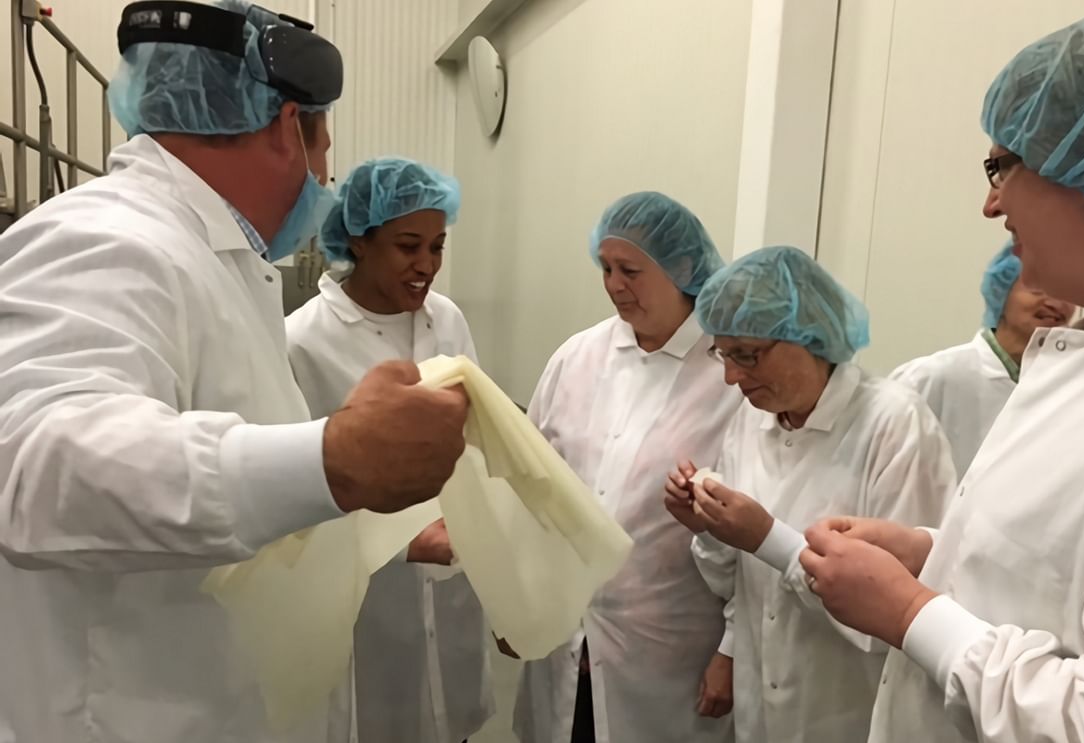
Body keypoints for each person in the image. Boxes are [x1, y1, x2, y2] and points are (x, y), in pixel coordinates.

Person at [0, 3, 467, 742]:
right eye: (324, 152)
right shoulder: (106, 238)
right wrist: (333, 460)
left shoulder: (223, 265)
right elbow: (36, 466)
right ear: (288, 127)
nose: (324, 180)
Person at [798, 10, 1084, 743]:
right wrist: (932, 553)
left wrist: (911, 612)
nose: (992, 203)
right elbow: (1061, 579)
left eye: (1002, 166)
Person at [664, 245, 956, 743]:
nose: (732, 377)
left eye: (747, 355)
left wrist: (767, 538)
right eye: (723, 353)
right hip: (761, 712)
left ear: (809, 334)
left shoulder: (894, 425)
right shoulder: (752, 423)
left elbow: (899, 614)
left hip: (851, 715)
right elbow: (732, 584)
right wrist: (709, 529)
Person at [513, 192, 742, 743]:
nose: (615, 284)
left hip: (670, 649)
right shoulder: (578, 357)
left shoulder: (729, 374)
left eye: (631, 270)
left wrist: (732, 650)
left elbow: (751, 530)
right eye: (606, 268)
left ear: (683, 269)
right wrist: (514, 602)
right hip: (563, 629)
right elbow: (528, 484)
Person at [286, 157, 493, 743]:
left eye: (437, 246)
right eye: (408, 246)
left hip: (453, 581)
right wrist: (401, 541)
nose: (426, 266)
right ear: (360, 238)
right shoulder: (304, 342)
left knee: (448, 719)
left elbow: (476, 442)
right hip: (364, 599)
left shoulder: (446, 321)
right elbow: (297, 504)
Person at [890, 241, 1075, 477]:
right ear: (1002, 291)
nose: (1056, 303)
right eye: (1038, 289)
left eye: (1067, 292)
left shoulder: (1066, 385)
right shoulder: (929, 377)